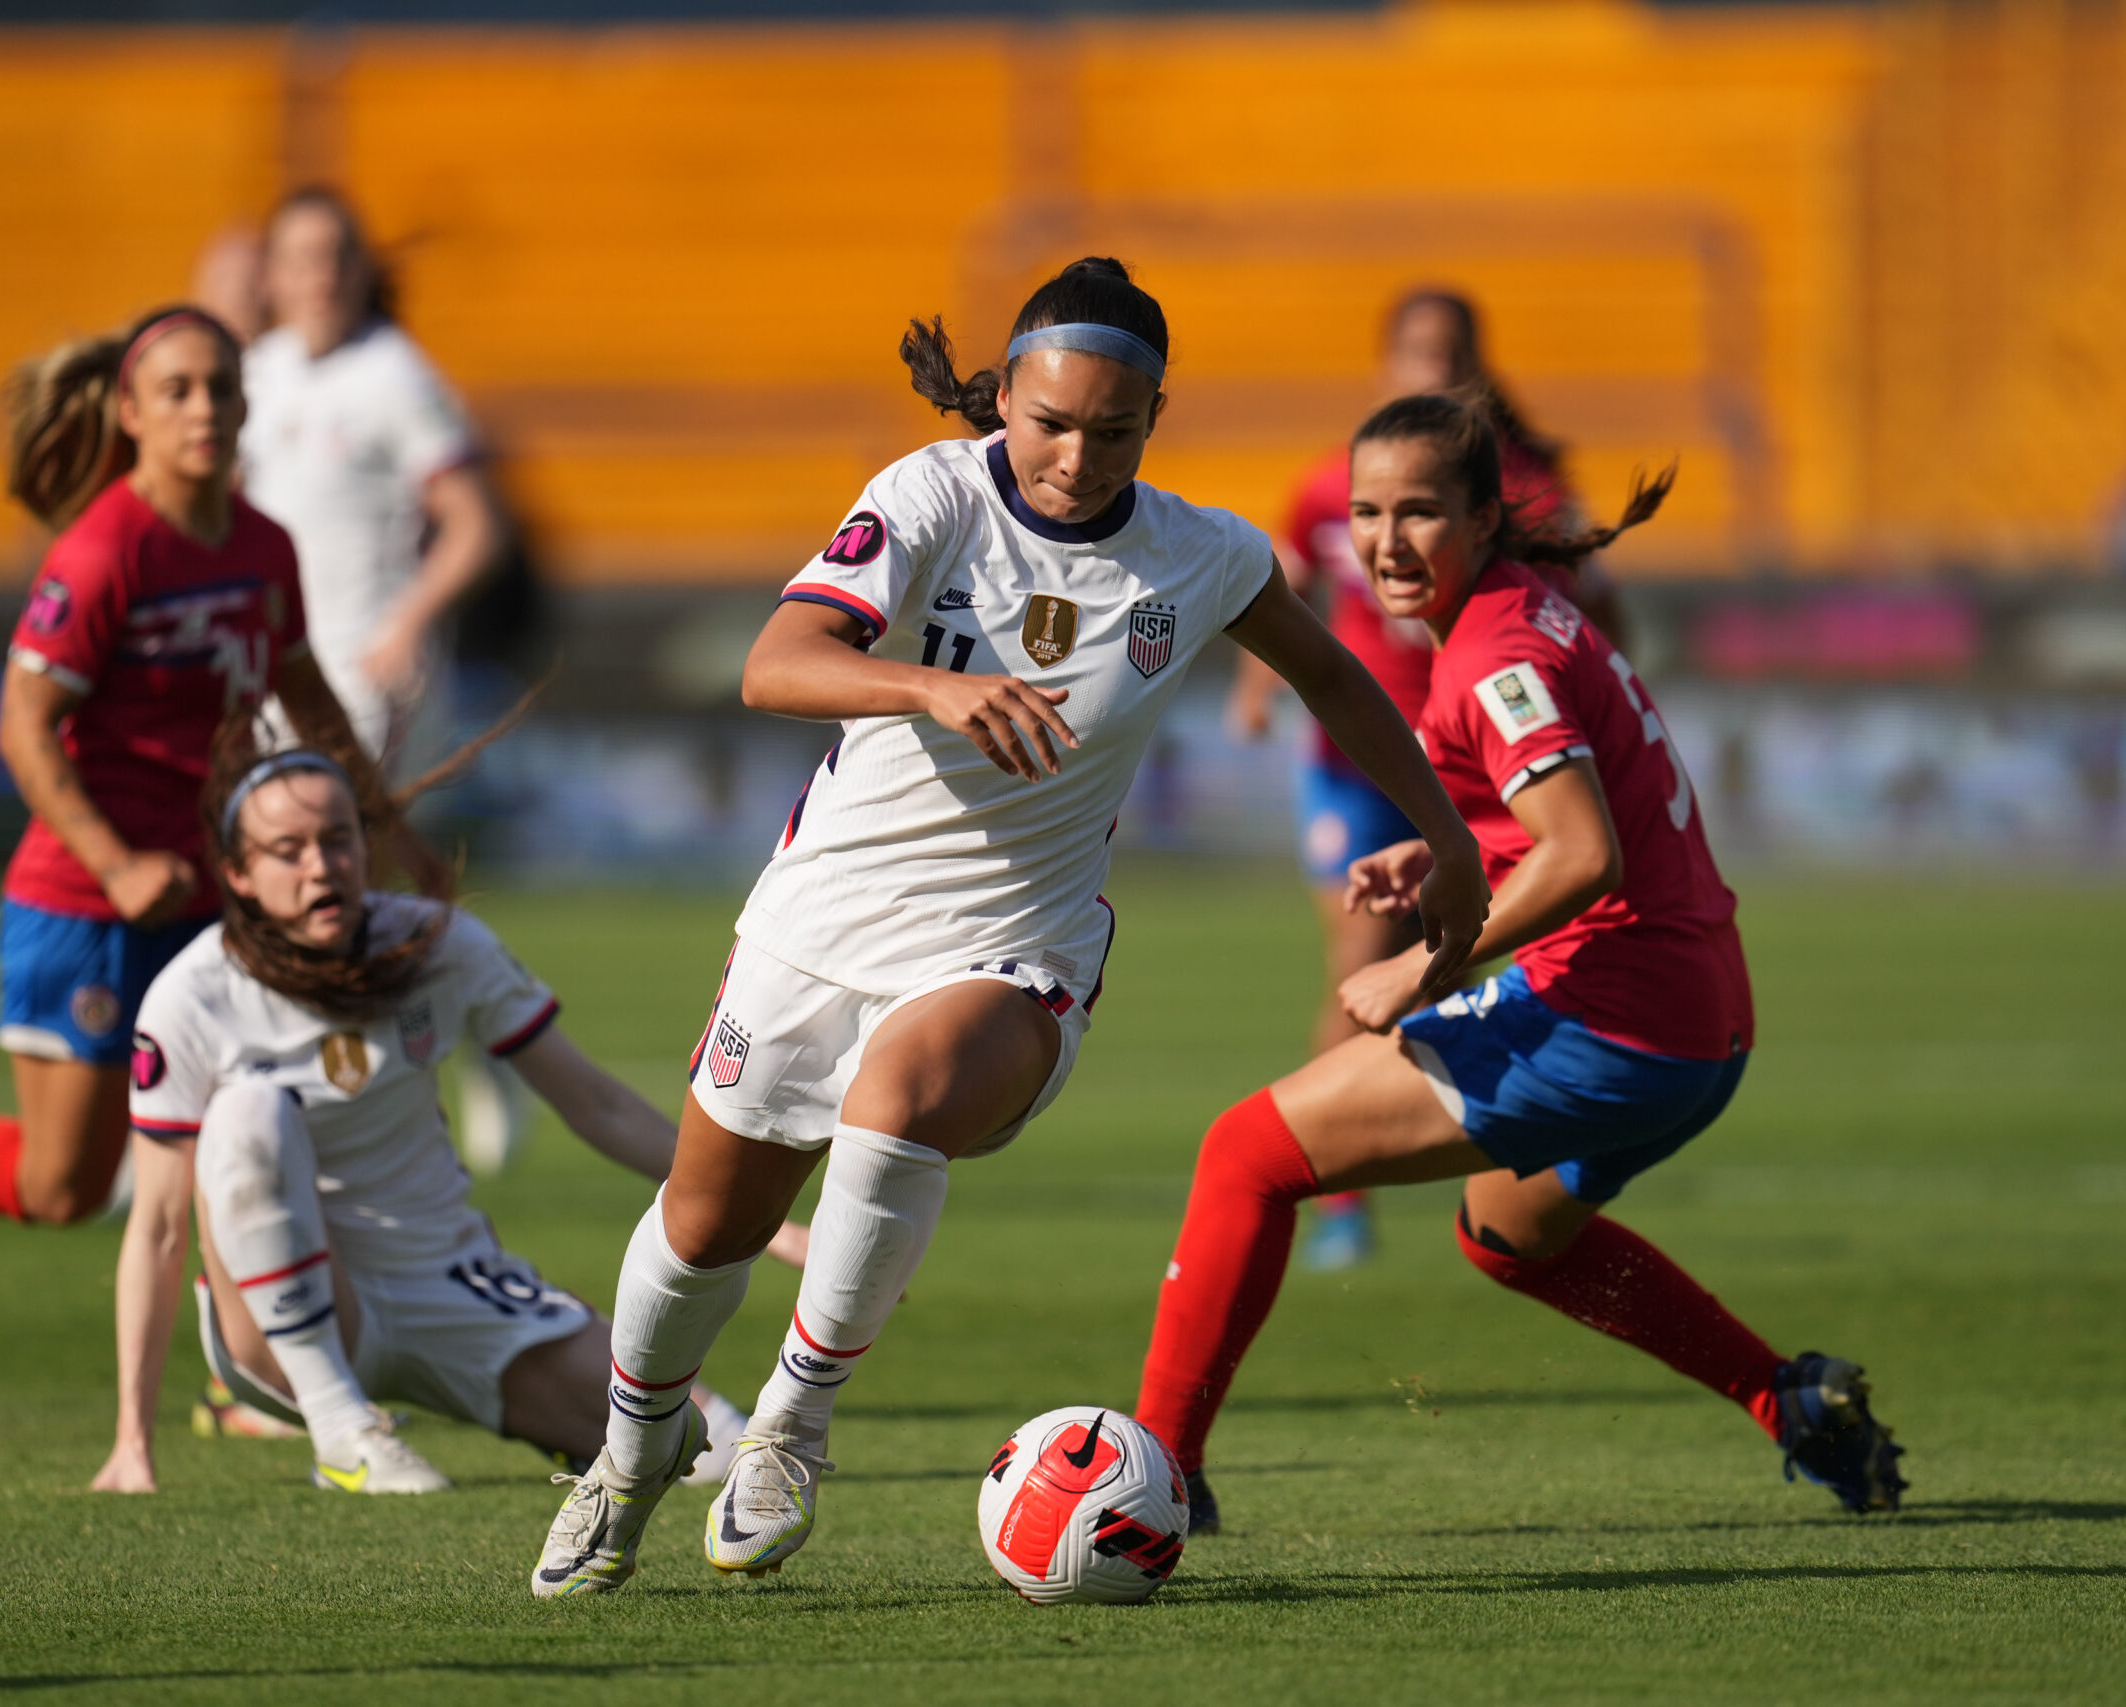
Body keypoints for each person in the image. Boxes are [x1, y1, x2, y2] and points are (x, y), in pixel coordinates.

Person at [526, 257, 1492, 1598]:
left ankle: (794, 1427)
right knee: (705, 1229)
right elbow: (775, 662)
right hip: (818, 923)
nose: (1075, 455)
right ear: (1007, 398)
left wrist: (1448, 835)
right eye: (1050, 421)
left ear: (1157, 415)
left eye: (1112, 428)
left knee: (899, 1094)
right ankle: (627, 1464)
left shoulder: (1203, 553)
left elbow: (1329, 671)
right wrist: (931, 685)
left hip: (1015, 941)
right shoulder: (929, 493)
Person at [1134, 393, 1904, 1537]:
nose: (1387, 544)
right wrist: (1443, 851)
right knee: (1510, 1235)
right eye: (1366, 515)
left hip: (1614, 1016)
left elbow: (1583, 853)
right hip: (1699, 1026)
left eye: (1421, 514)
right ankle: (1785, 1398)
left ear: (1486, 517)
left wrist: (1422, 970)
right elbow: (1570, 825)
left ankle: (1154, 1476)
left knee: (1245, 1153)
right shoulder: (1527, 610)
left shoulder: (1490, 652)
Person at [0, 305, 428, 1280]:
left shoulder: (264, 546)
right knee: (66, 1188)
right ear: (130, 413)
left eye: (221, 387)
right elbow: (22, 724)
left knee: (254, 1135)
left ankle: (250, 1382)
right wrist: (115, 861)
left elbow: (305, 698)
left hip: (216, 896)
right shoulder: (105, 554)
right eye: (176, 391)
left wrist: (390, 828)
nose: (204, 409)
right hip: (90, 905)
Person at [88, 728, 799, 1494]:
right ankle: (341, 1430)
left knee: (708, 1450)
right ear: (239, 873)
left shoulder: (437, 945)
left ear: (368, 845)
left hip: (449, 1280)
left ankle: (541, 1423)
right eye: (286, 849)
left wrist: (766, 1218)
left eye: (337, 839)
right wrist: (133, 1439)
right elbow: (159, 1225)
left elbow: (593, 1101)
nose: (320, 864)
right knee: (248, 1114)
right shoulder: (191, 995)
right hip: (283, 1319)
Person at [1227, 287, 1621, 1272]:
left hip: (1484, 771)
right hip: (1356, 768)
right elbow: (1281, 590)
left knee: (1459, 962)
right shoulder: (1330, 487)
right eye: (1414, 353)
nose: (1432, 373)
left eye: (1450, 355)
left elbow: (1594, 604)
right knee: (1366, 961)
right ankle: (1336, 1196)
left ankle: (1475, 1156)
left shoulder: (1529, 490)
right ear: (1384, 367)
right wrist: (1254, 687)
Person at [240, 186, 511, 777]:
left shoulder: (396, 376)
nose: (323, 276)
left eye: (337, 257)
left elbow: (475, 527)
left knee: (345, 845)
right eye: (304, 259)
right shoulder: (257, 373)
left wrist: (405, 627)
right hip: (274, 664)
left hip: (360, 665)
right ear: (272, 275)